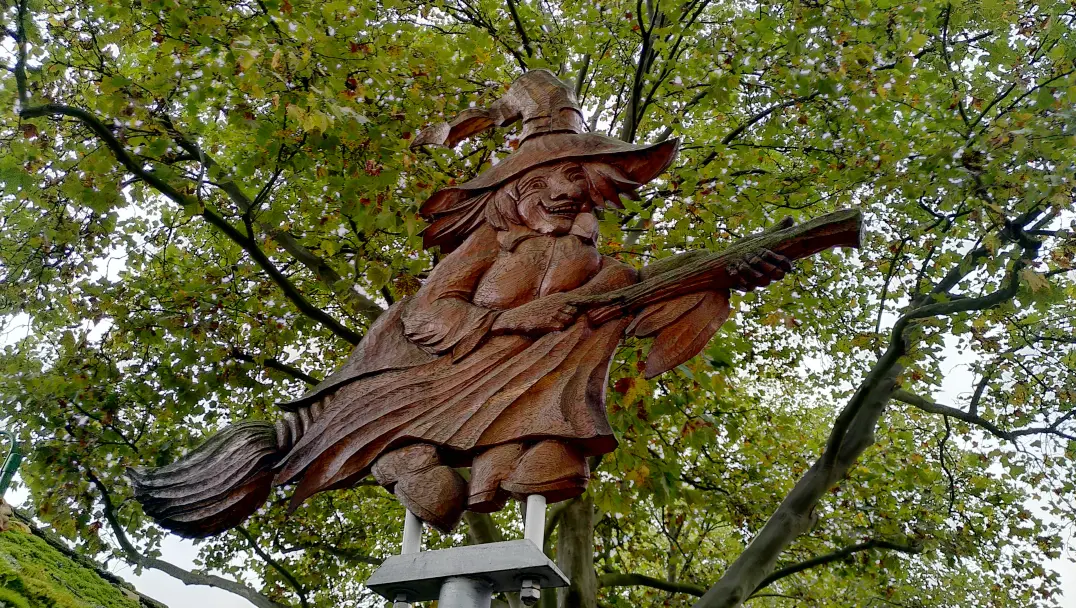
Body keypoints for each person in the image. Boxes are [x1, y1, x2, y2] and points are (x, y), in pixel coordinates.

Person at [130, 70, 790, 537]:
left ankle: (495, 464)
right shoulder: (488, 245)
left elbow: (648, 301)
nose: (569, 191)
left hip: (526, 397)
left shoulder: (605, 266)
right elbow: (426, 311)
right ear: (520, 183)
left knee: (547, 448)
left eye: (580, 178)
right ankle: (399, 456)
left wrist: (726, 273)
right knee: (434, 493)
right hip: (423, 378)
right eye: (556, 175)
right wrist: (510, 318)